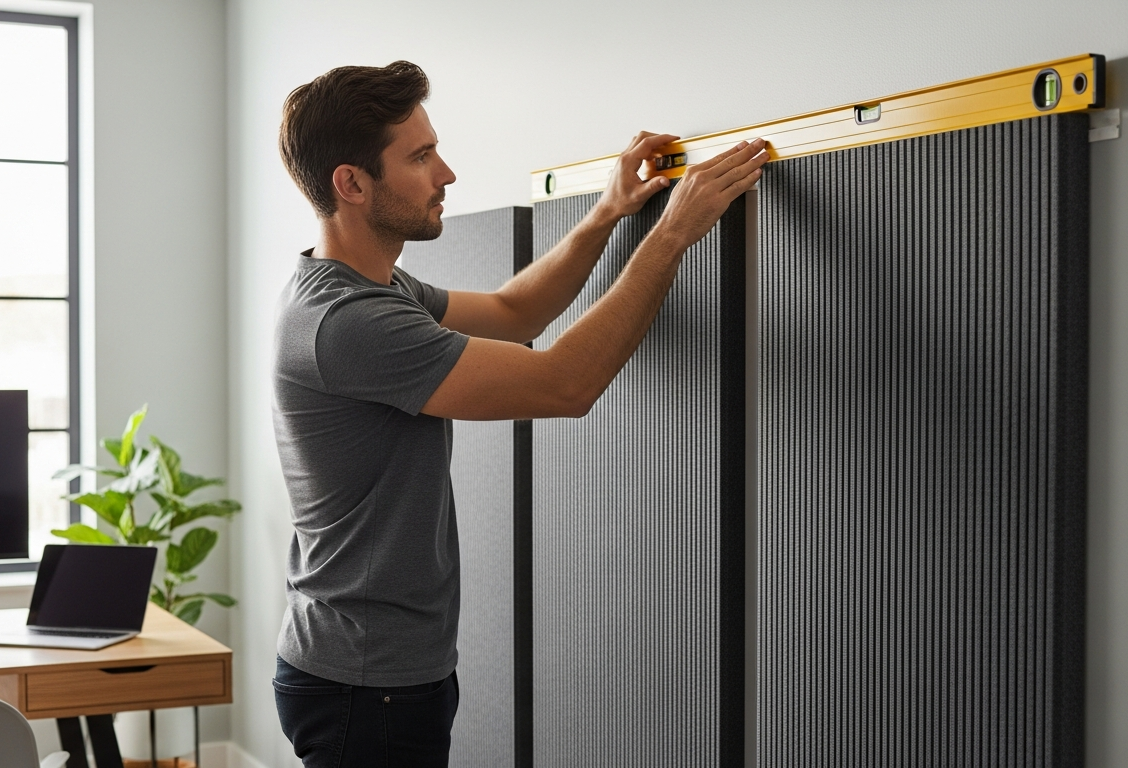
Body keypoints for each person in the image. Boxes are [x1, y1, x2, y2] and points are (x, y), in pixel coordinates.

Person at [269, 60, 767, 768]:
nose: (446, 173)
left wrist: (607, 212)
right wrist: (671, 236)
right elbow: (564, 385)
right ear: (351, 184)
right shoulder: (346, 322)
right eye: (420, 156)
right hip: (365, 683)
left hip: (376, 670)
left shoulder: (370, 288)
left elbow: (514, 311)